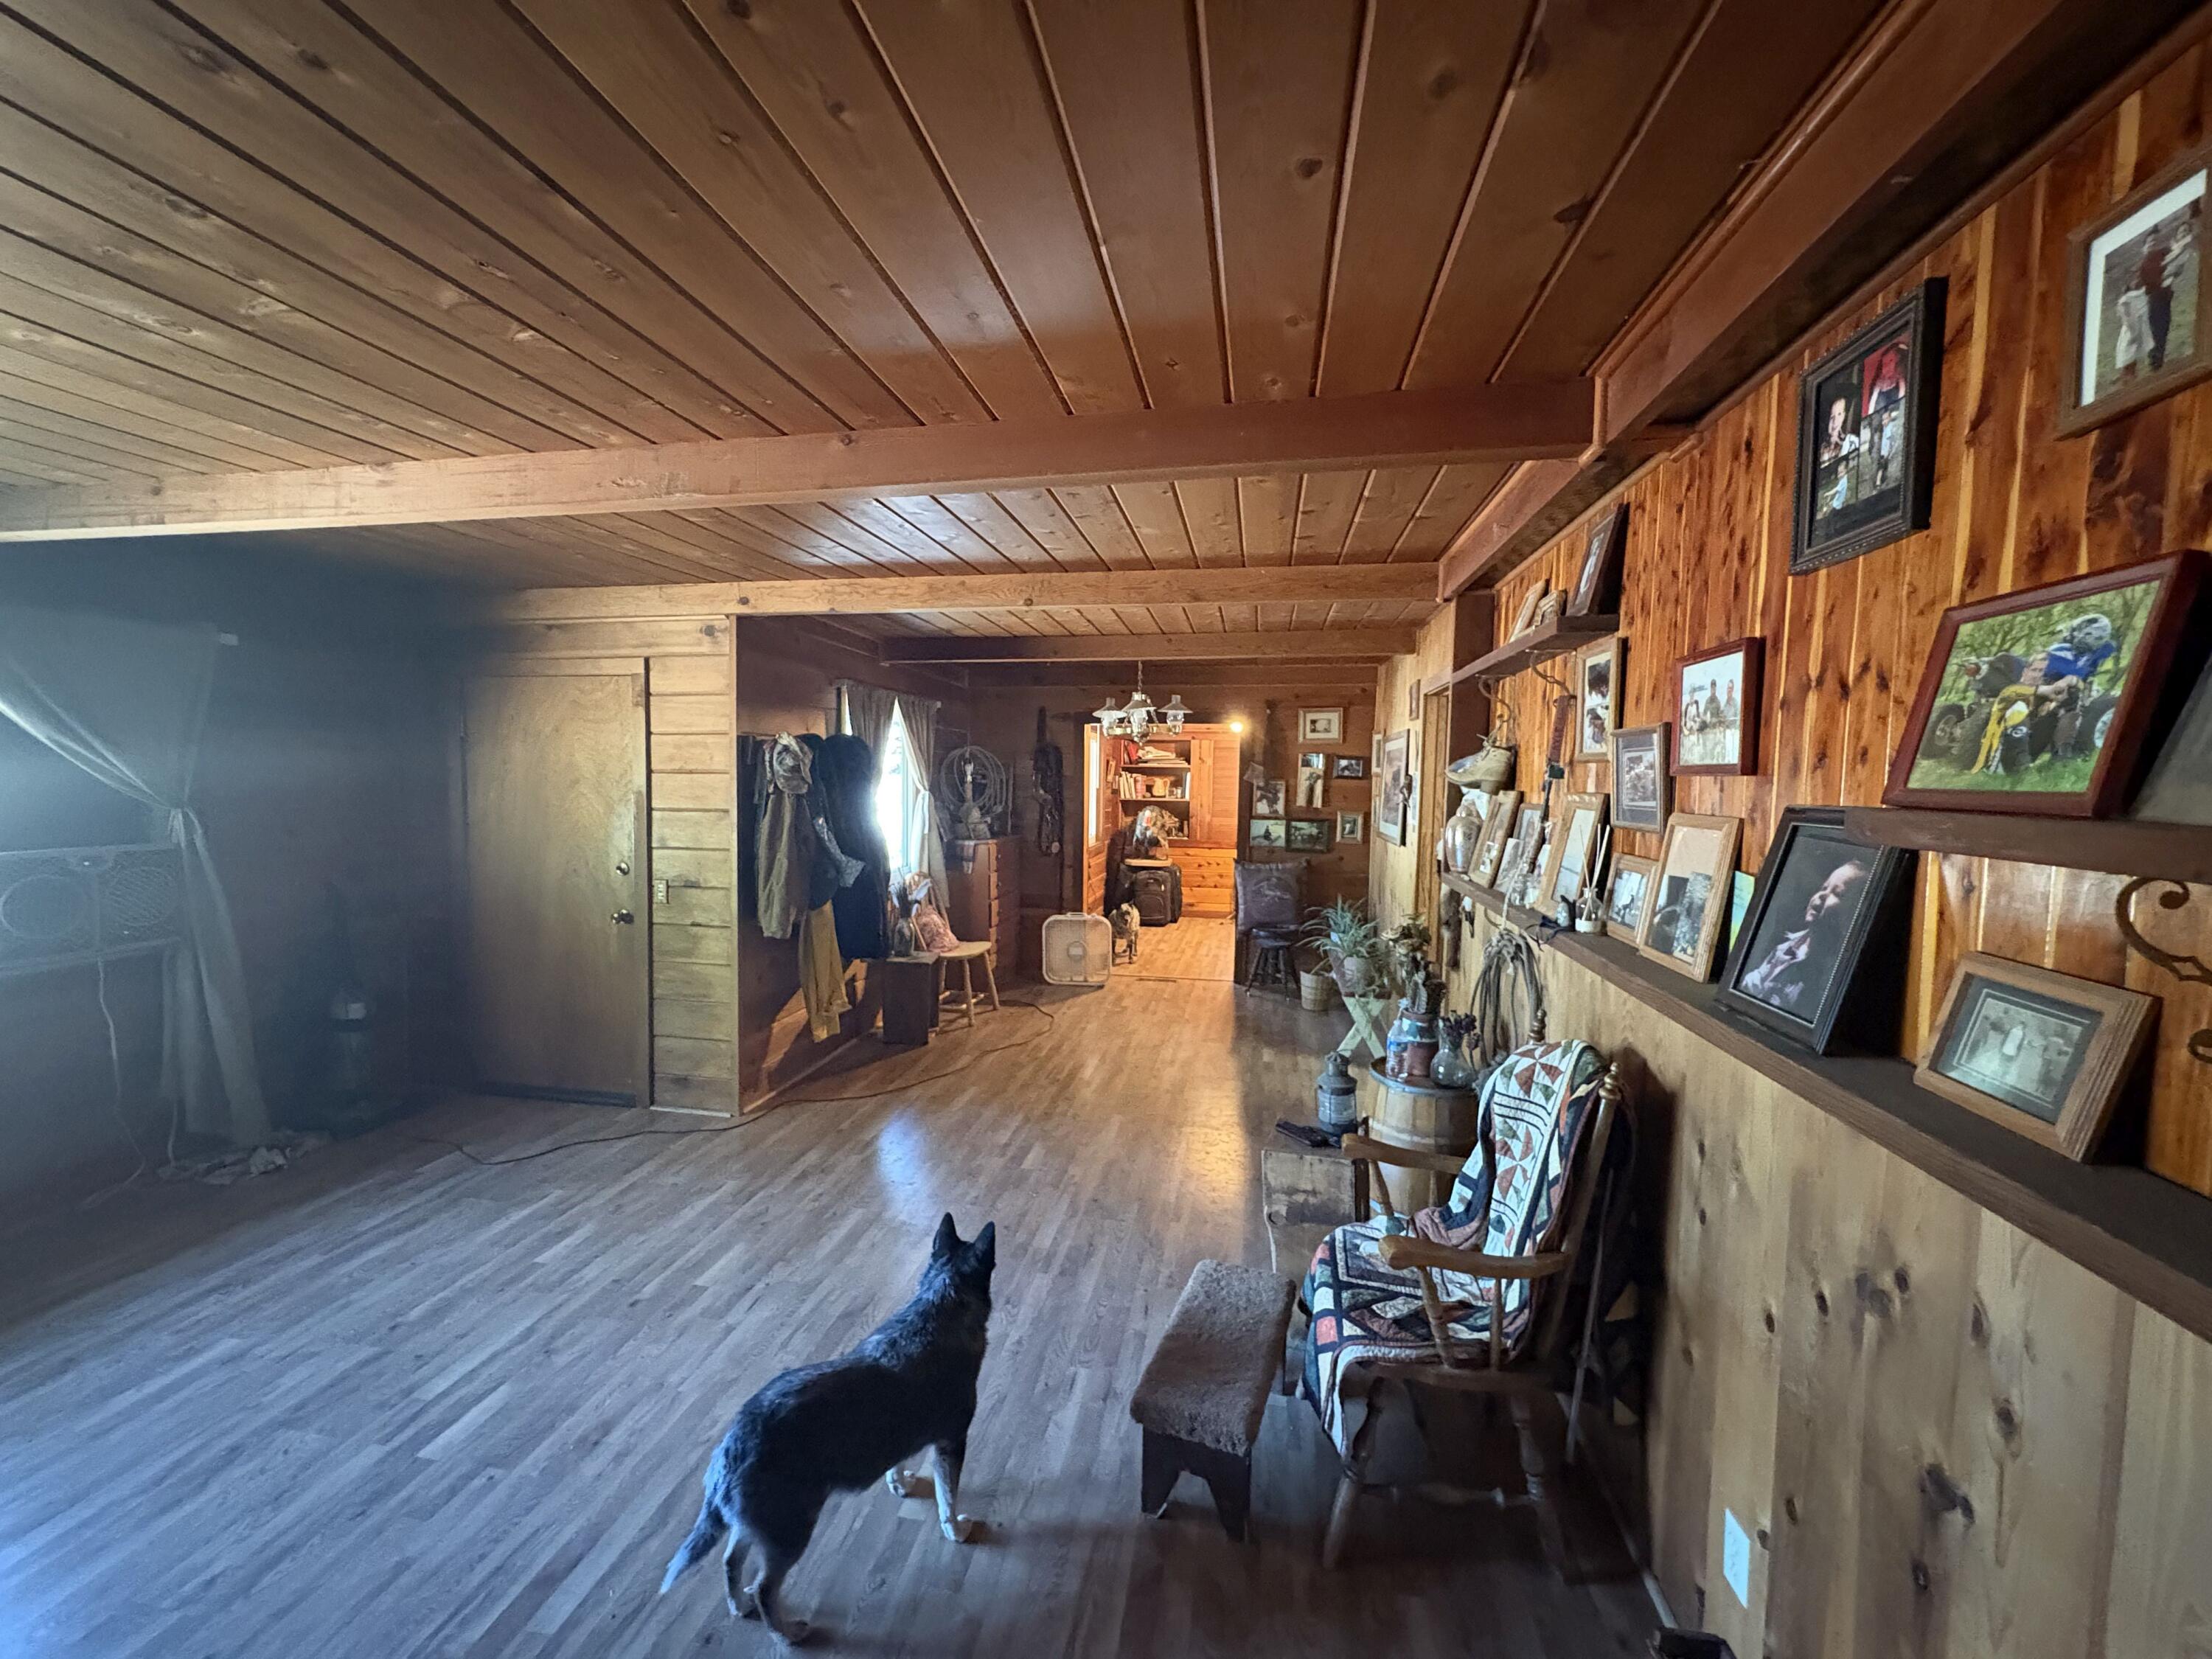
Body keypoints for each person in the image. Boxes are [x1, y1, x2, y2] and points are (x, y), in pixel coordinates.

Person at [1739, 858, 1869, 1012]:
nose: (1822, 895)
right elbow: (1755, 982)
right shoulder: (1788, 946)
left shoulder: (1834, 968)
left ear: (1856, 912)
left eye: (1838, 893)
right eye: (1824, 887)